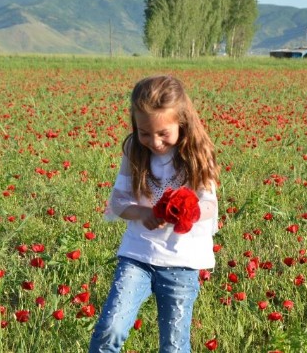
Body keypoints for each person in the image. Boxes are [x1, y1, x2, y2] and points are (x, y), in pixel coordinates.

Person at [89, 76, 220, 353]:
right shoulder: (134, 150)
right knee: (109, 329)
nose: (155, 141)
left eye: (163, 133)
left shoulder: (197, 154)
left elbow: (209, 204)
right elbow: (119, 200)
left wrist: (186, 209)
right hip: (138, 255)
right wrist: (142, 211)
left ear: (181, 122)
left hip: (182, 262)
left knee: (173, 345)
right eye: (145, 132)